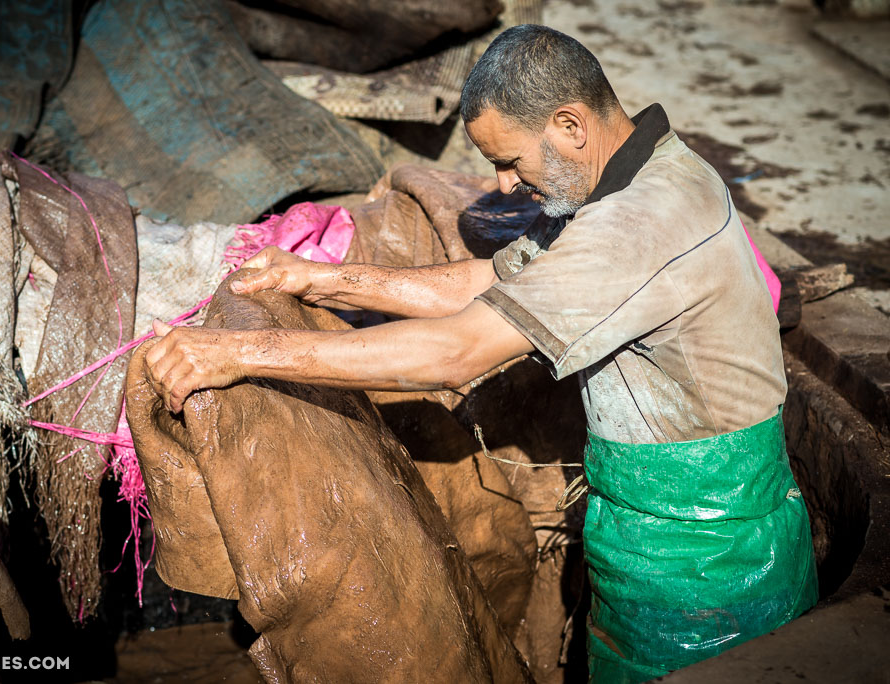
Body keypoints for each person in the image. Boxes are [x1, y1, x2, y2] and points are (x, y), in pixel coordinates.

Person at [144, 24, 818, 683]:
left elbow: (458, 351)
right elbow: (483, 282)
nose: (500, 185)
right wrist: (318, 277)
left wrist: (243, 352)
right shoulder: (631, 176)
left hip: (708, 557)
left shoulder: (637, 225)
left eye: (510, 160)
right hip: (646, 528)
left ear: (570, 126)